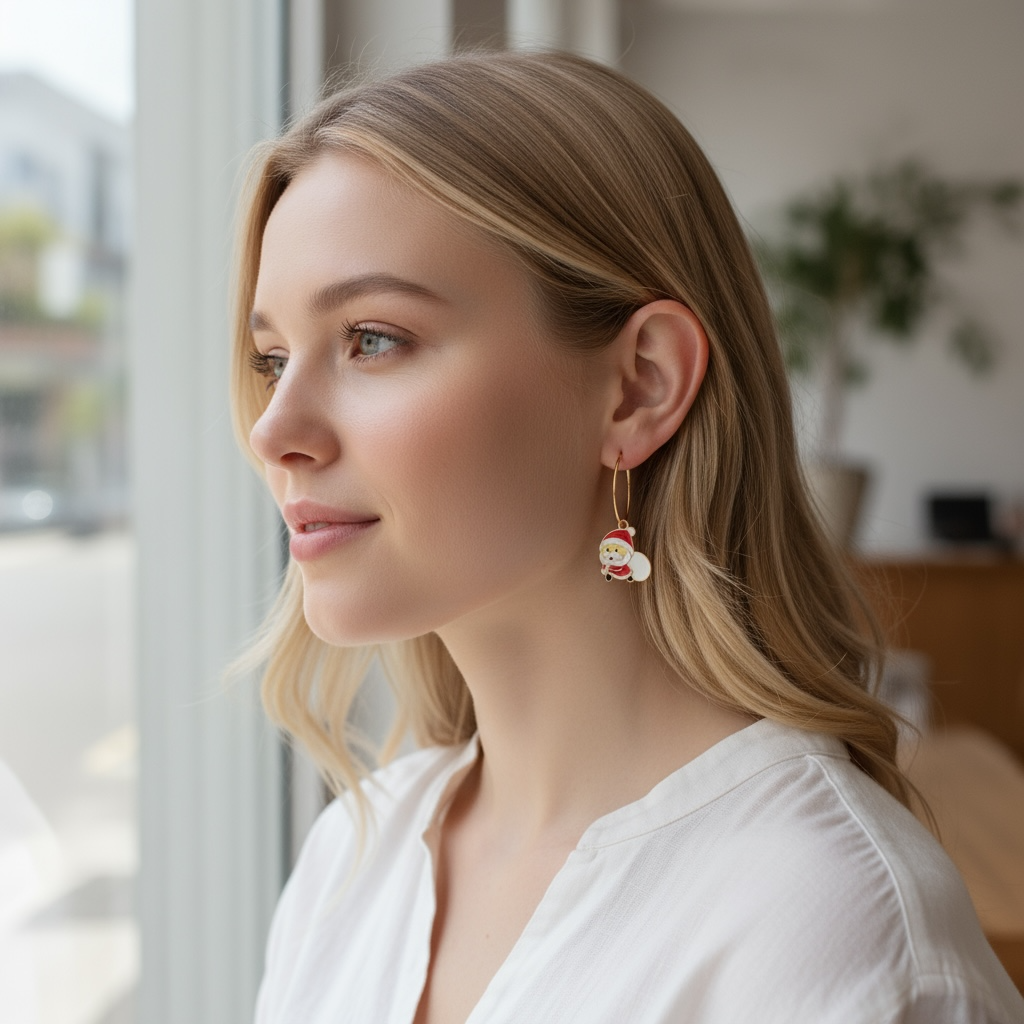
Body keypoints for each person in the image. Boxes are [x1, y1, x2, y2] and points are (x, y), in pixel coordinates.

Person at [232, 50, 1024, 1024]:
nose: (275, 430)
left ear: (639, 385)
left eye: (372, 338)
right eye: (273, 358)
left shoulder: (827, 930)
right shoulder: (356, 852)